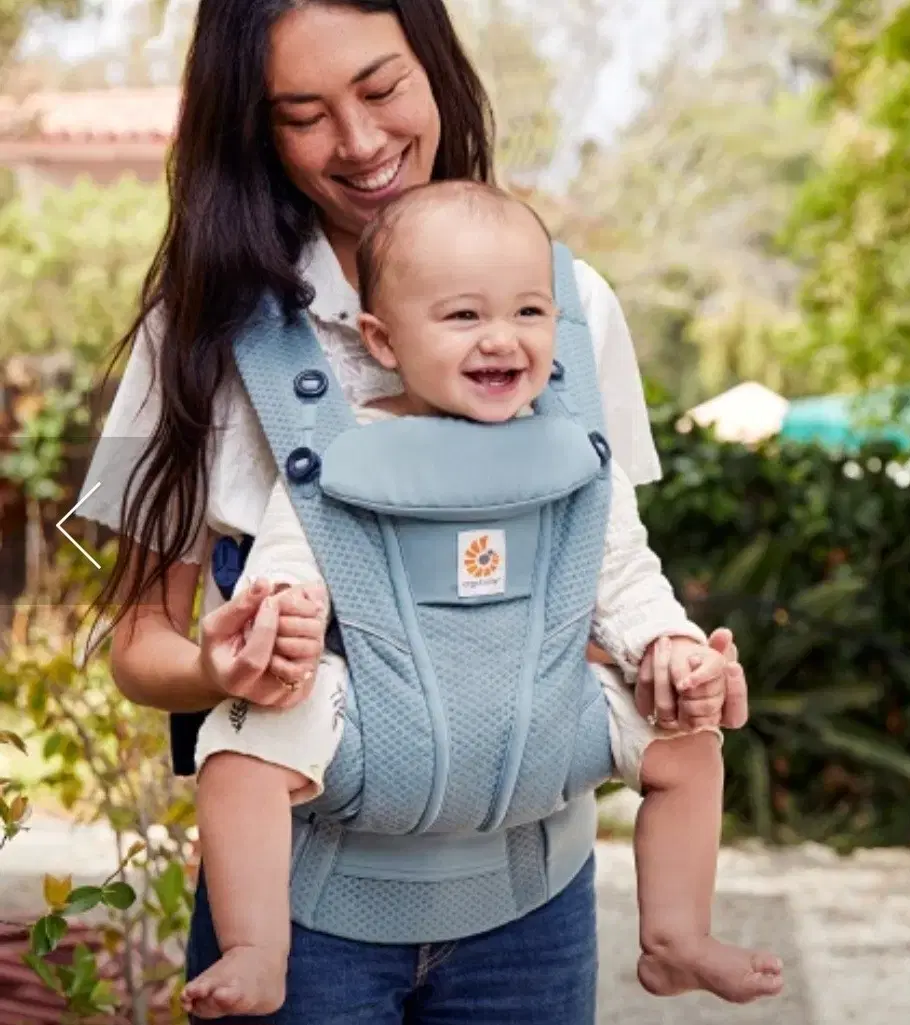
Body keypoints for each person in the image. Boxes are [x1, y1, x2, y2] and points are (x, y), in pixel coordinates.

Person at [80, 2, 752, 1021]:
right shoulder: (198, 331)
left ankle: (678, 932)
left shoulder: (576, 309)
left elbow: (602, 570)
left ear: (435, 65)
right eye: (302, 113)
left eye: (382, 87)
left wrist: (674, 662)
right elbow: (137, 642)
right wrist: (227, 662)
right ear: (251, 127)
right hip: (310, 909)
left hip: (533, 898)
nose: (359, 140)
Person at [178, 181, 784, 1018]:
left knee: (686, 736)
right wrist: (284, 621)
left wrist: (671, 648)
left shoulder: (578, 456)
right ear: (383, 339)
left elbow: (627, 578)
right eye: (464, 317)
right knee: (238, 750)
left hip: (545, 726)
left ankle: (677, 931)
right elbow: (285, 569)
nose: (502, 338)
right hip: (374, 733)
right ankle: (256, 945)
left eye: (530, 313)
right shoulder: (338, 453)